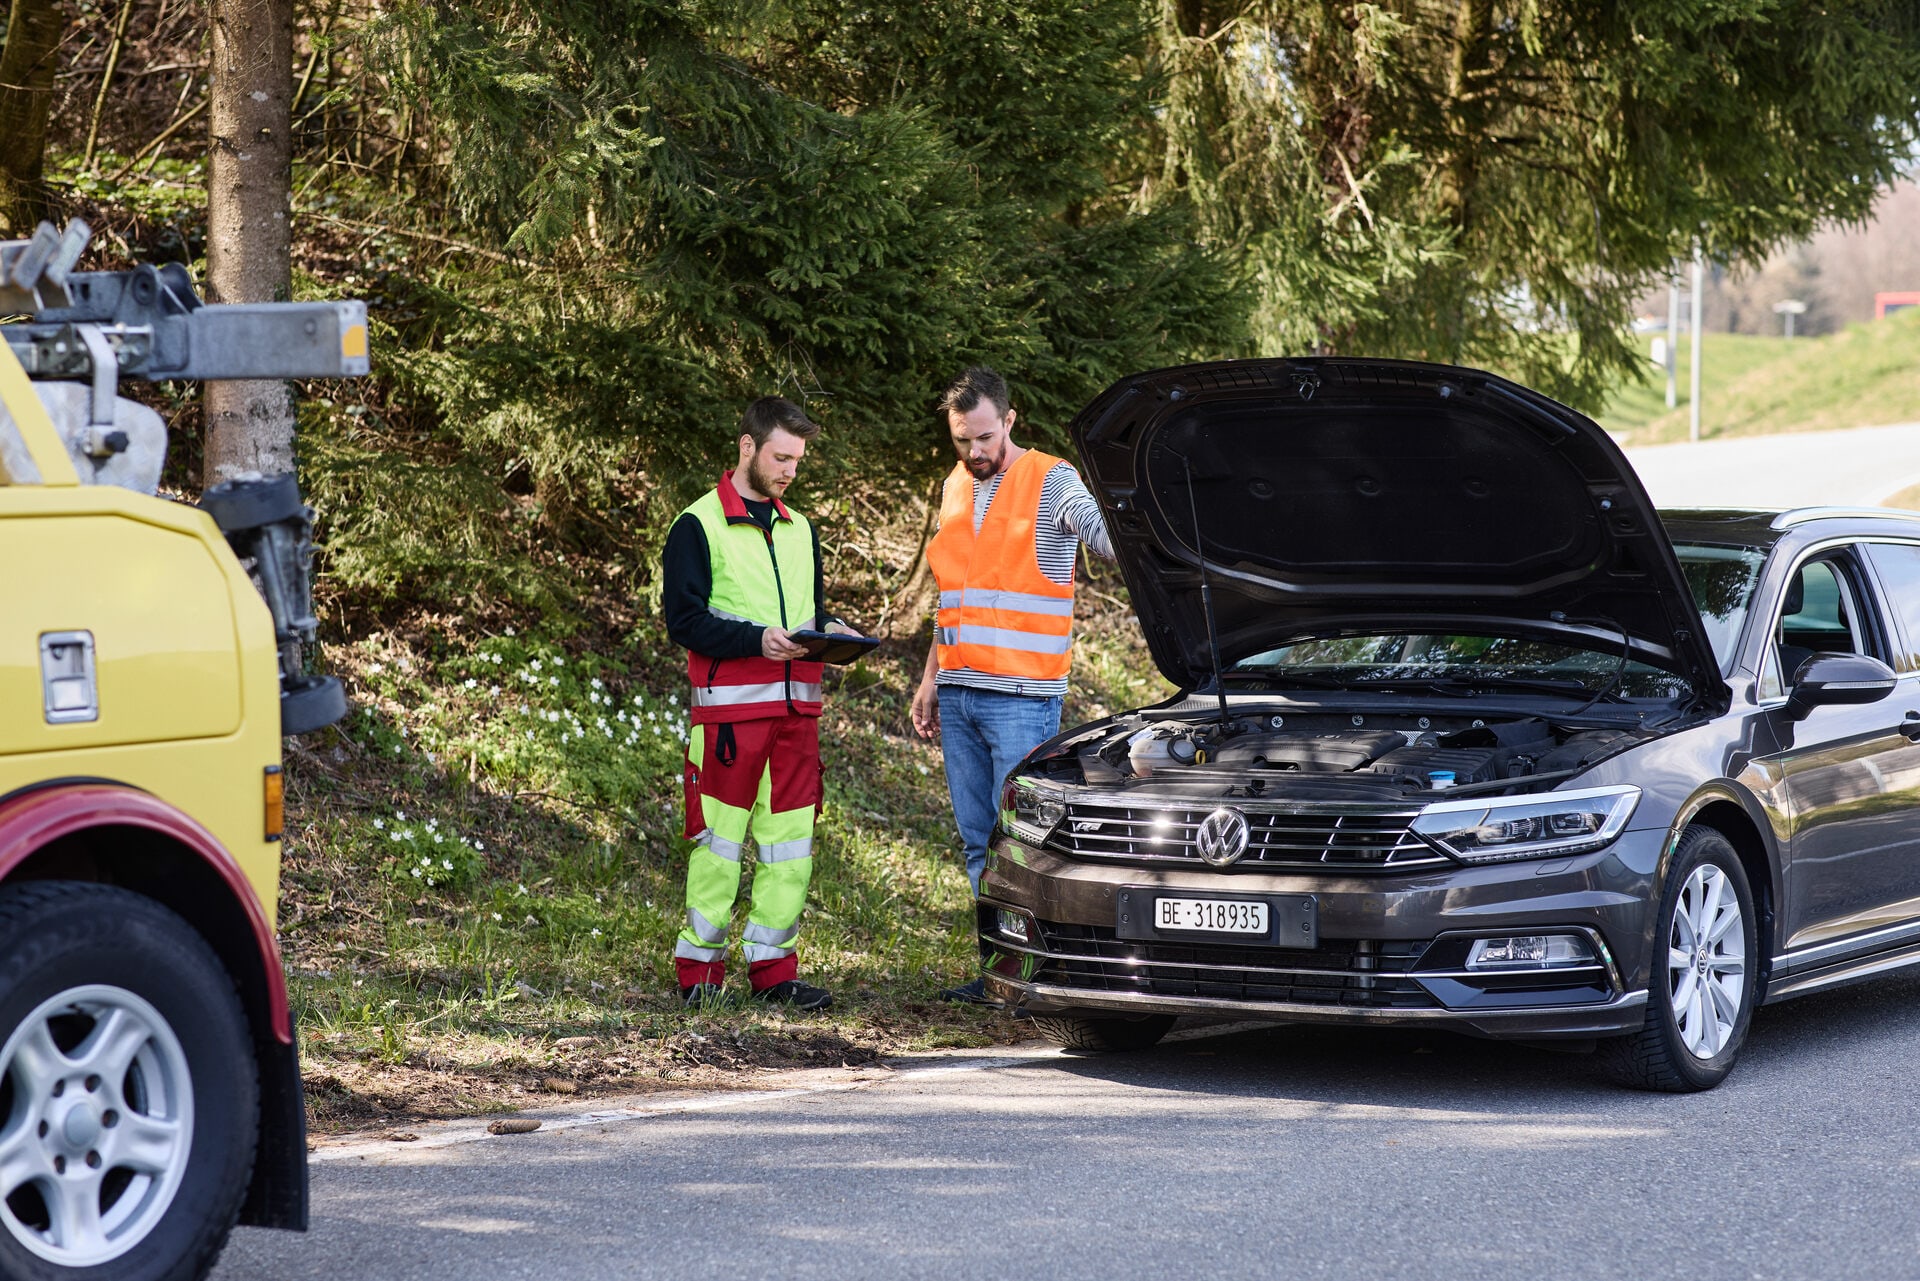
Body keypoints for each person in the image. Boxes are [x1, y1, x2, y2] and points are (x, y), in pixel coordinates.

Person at [910, 366, 1115, 1003]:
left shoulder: (1050, 480)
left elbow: (1105, 534)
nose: (975, 452)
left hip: (1023, 702)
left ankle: (1034, 974)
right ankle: (1000, 976)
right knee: (979, 842)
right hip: (960, 693)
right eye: (962, 440)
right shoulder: (952, 488)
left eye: (985, 437)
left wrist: (1134, 524)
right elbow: (953, 601)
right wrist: (929, 681)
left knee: (1023, 844)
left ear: (1010, 422)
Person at [662, 395, 854, 1011]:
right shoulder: (697, 525)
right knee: (718, 847)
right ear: (747, 446)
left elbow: (806, 615)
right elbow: (684, 620)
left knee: (790, 849)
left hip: (798, 716)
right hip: (729, 718)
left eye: (797, 460)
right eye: (781, 457)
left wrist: (833, 631)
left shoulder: (801, 531)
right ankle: (699, 974)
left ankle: (774, 973)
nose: (790, 471)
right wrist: (755, 640)